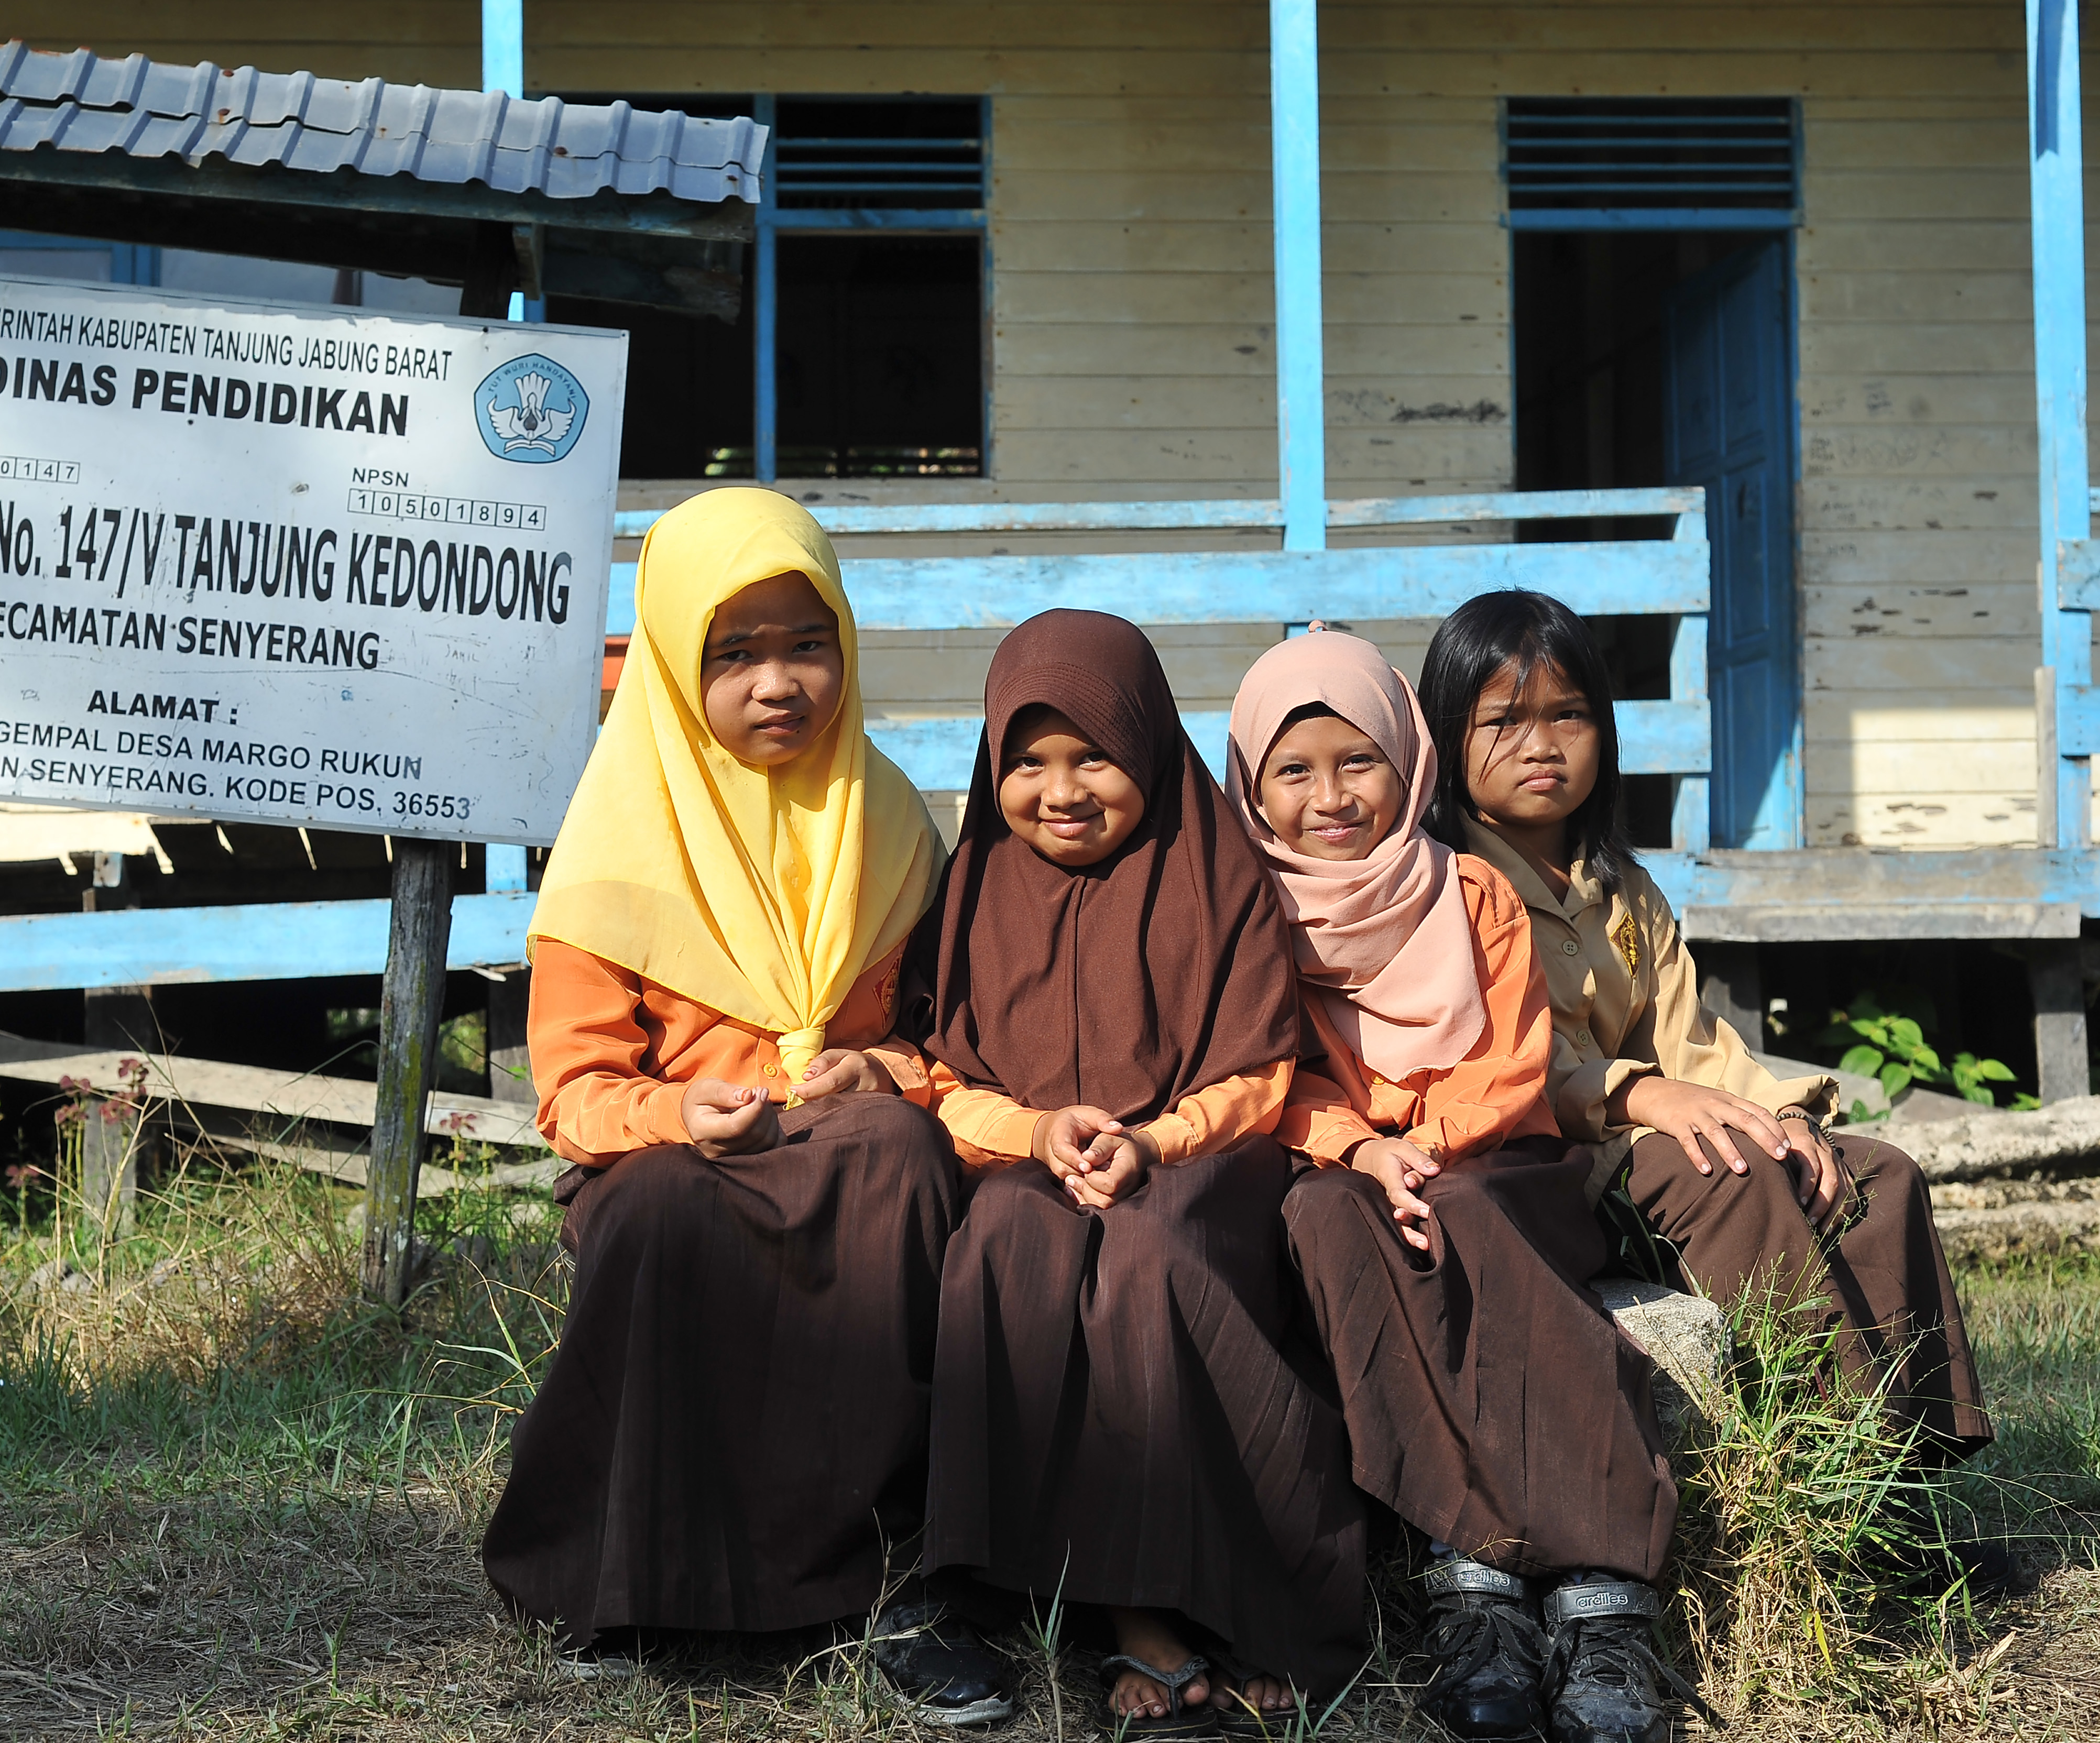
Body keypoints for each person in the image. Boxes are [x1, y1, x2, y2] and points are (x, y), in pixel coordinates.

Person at [478, 488, 1013, 1725]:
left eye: (806, 645)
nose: (778, 683)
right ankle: (640, 1586)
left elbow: (932, 1038)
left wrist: (875, 1070)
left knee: (897, 1158)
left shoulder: (888, 821)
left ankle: (897, 1588)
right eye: (733, 654)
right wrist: (679, 1115)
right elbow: (575, 1093)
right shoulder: (615, 841)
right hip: (676, 1149)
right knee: (663, 1207)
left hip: (838, 1135)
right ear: (672, 660)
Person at [1415, 589, 1997, 1574]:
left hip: (1645, 1131)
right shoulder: (1448, 883)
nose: (1540, 743)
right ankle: (1831, 1494)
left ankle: (1914, 1488)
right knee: (1732, 1180)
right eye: (1503, 722)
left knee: (1879, 1175)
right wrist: (1643, 1098)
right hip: (1547, 1169)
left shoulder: (1621, 887)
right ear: (1446, 739)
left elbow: (1694, 1039)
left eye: (1568, 715)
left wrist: (1780, 1113)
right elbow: (1509, 1059)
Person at [1230, 630, 1694, 1743]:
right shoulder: (1245, 904)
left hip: (1491, 1155)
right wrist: (1356, 1144)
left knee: (1473, 1214)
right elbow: (1261, 1065)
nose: (1331, 797)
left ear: (1408, 760)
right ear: (1250, 784)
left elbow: (1510, 1053)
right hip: (1338, 1161)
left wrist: (1426, 1144)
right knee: (1324, 1222)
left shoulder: (1471, 889)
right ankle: (1474, 1579)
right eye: (1293, 773)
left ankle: (1603, 1589)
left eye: (1360, 763)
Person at [909, 610, 1368, 1736]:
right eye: (1027, 761)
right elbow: (938, 1075)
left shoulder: (1214, 874)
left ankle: (1194, 1602)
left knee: (1152, 1259)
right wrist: (1033, 1133)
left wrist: (1156, 1140)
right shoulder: (974, 890)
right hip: (1031, 1159)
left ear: (1155, 751)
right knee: (1011, 1244)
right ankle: (1057, 1599)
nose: (1059, 790)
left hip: (1197, 1161)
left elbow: (1266, 1072)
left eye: (1093, 756)